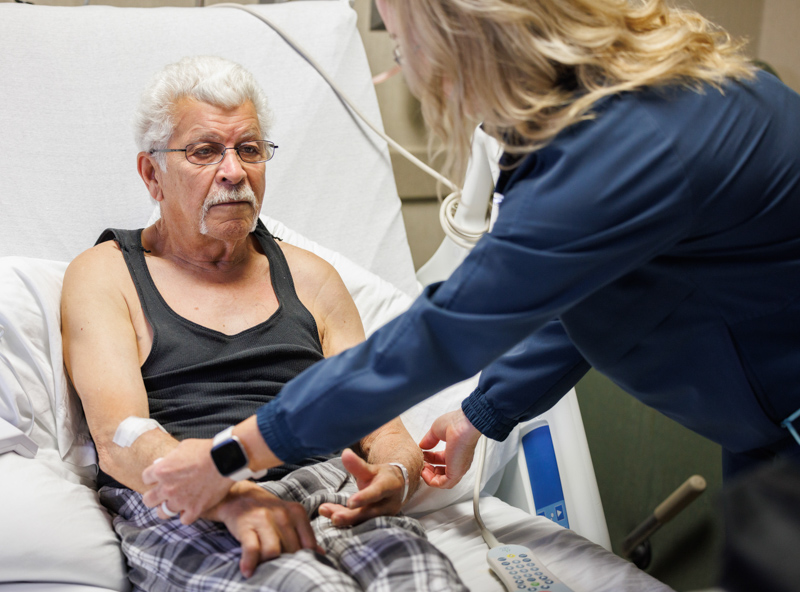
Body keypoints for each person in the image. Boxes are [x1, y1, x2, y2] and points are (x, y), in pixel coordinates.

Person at [144, 0, 800, 521]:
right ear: (150, 174)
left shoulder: (629, 142)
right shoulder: (603, 113)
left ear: (461, 33)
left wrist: (231, 453)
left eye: (401, 40)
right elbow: (580, 289)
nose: (399, 65)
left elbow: (437, 339)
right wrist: (482, 412)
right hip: (763, 431)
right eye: (202, 152)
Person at [61, 55, 469, 592]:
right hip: (187, 499)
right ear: (151, 173)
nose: (234, 171)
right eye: (205, 151)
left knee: (430, 588)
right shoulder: (107, 274)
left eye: (249, 149)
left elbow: (383, 426)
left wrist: (396, 474)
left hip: (329, 486)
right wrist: (226, 498)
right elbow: (120, 439)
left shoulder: (311, 279)